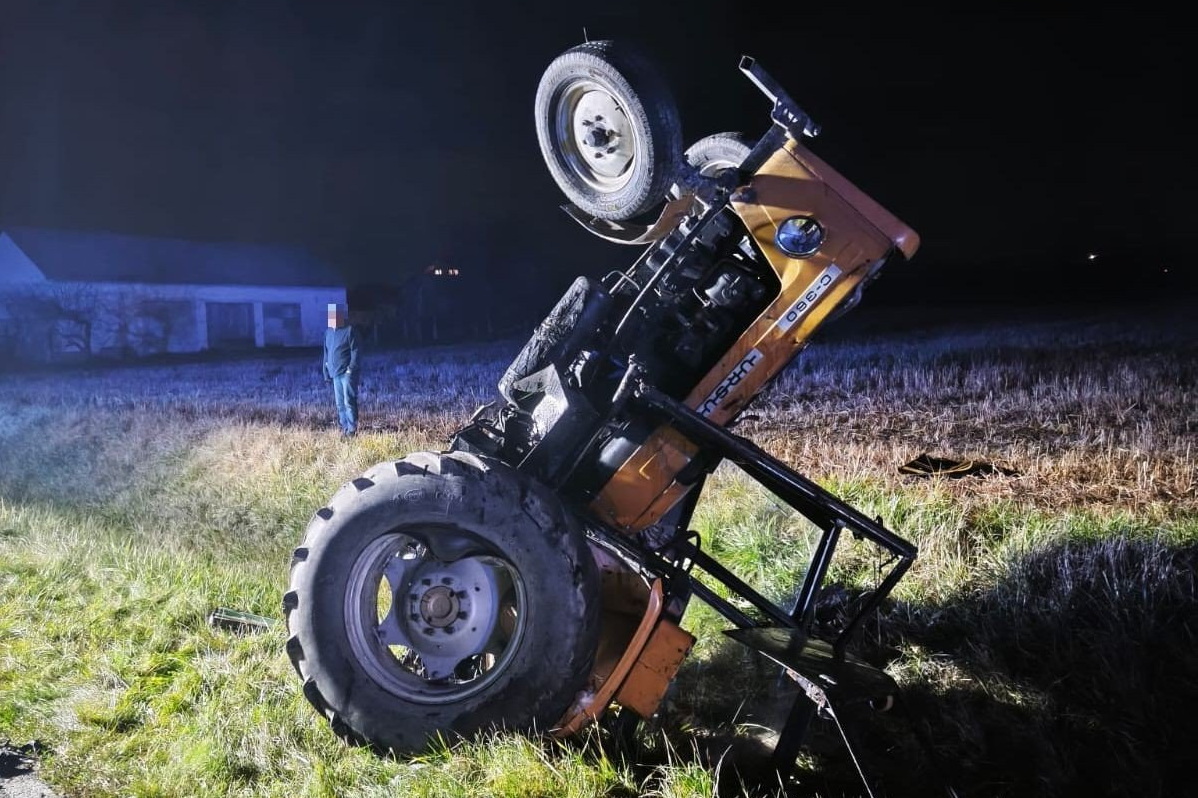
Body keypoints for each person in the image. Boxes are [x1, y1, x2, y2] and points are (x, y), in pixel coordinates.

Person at [323, 302, 360, 437]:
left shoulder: (349, 330)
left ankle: (352, 430)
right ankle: (344, 428)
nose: (332, 319)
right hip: (335, 373)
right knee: (339, 404)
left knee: (348, 402)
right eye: (330, 316)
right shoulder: (328, 333)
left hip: (346, 373)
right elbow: (326, 354)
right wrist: (326, 371)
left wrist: (351, 369)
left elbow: (356, 351)